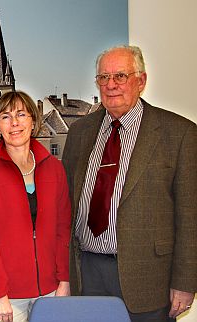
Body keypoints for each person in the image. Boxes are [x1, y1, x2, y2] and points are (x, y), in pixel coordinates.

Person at [62, 45, 196, 322]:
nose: (111, 85)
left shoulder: (179, 133)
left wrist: (185, 282)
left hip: (149, 277)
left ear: (141, 81)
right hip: (87, 271)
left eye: (120, 76)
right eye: (103, 78)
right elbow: (66, 205)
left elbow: (190, 216)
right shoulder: (79, 132)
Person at [0, 91, 71, 322]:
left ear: (33, 121)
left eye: (21, 114)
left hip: (51, 292)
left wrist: (64, 280)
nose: (14, 122)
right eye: (5, 117)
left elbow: (63, 231)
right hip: (4, 297)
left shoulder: (54, 168)